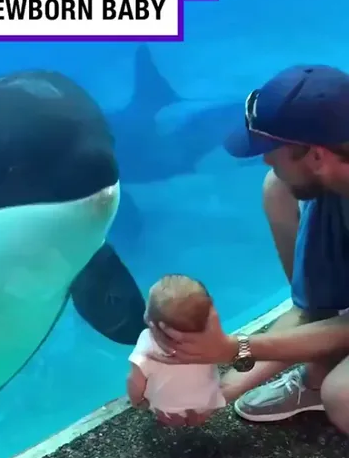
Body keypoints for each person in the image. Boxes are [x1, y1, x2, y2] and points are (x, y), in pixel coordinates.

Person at [146, 64, 349, 435]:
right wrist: (225, 387)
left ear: (317, 155)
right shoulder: (330, 184)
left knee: (344, 397)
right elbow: (316, 312)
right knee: (278, 187)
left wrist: (234, 348)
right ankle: (318, 376)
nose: (265, 158)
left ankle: (328, 381)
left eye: (273, 149)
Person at [126, 274, 225, 425]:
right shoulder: (211, 336)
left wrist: (137, 401)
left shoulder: (147, 345)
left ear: (150, 321)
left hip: (167, 408)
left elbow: (134, 381)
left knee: (165, 407)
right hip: (208, 400)